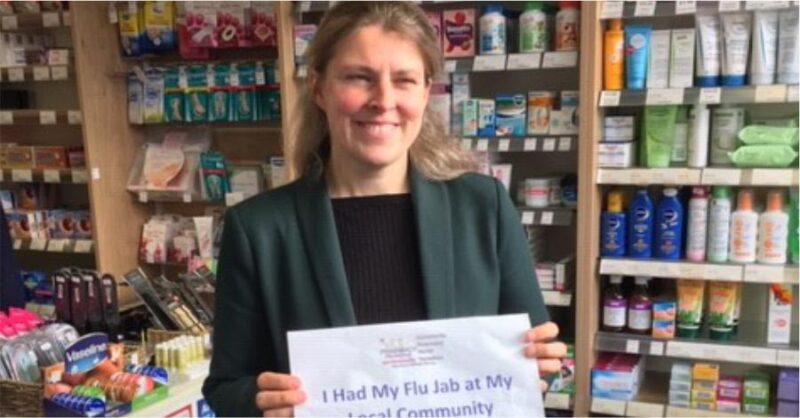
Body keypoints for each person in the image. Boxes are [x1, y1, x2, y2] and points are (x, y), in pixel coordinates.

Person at [202, 2, 566, 416]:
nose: (384, 100)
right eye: (360, 77)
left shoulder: (483, 207)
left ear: (426, 93)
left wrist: (541, 362)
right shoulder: (259, 229)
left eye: (405, 80)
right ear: (319, 87)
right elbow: (226, 387)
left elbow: (534, 358)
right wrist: (262, 403)